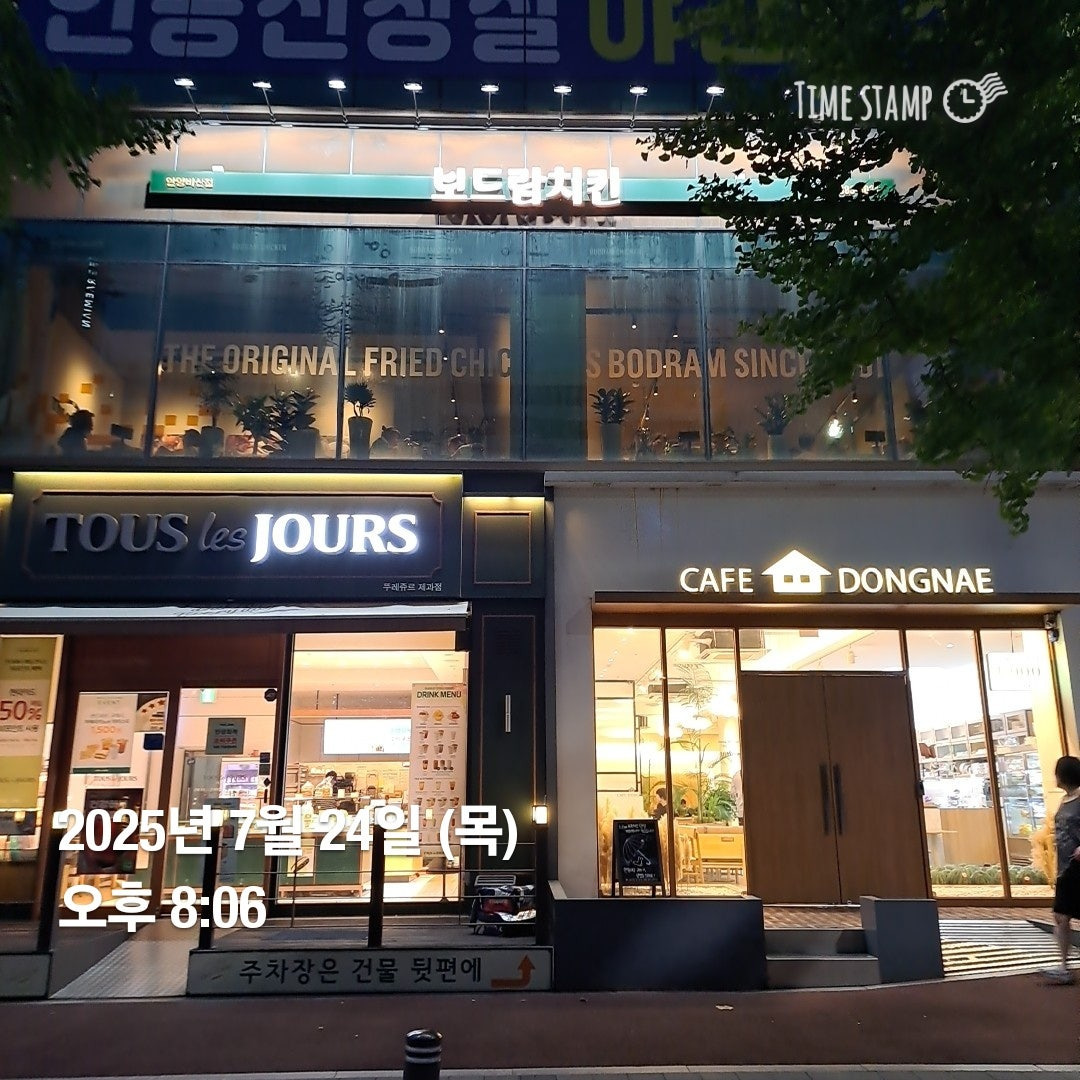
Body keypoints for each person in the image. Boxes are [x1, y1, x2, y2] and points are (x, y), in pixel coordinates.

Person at [1043, 755, 1080, 983]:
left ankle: (1064, 966)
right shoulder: (1065, 799)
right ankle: (1064, 966)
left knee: (1063, 914)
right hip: (1065, 866)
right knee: (1060, 915)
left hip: (1077, 865)